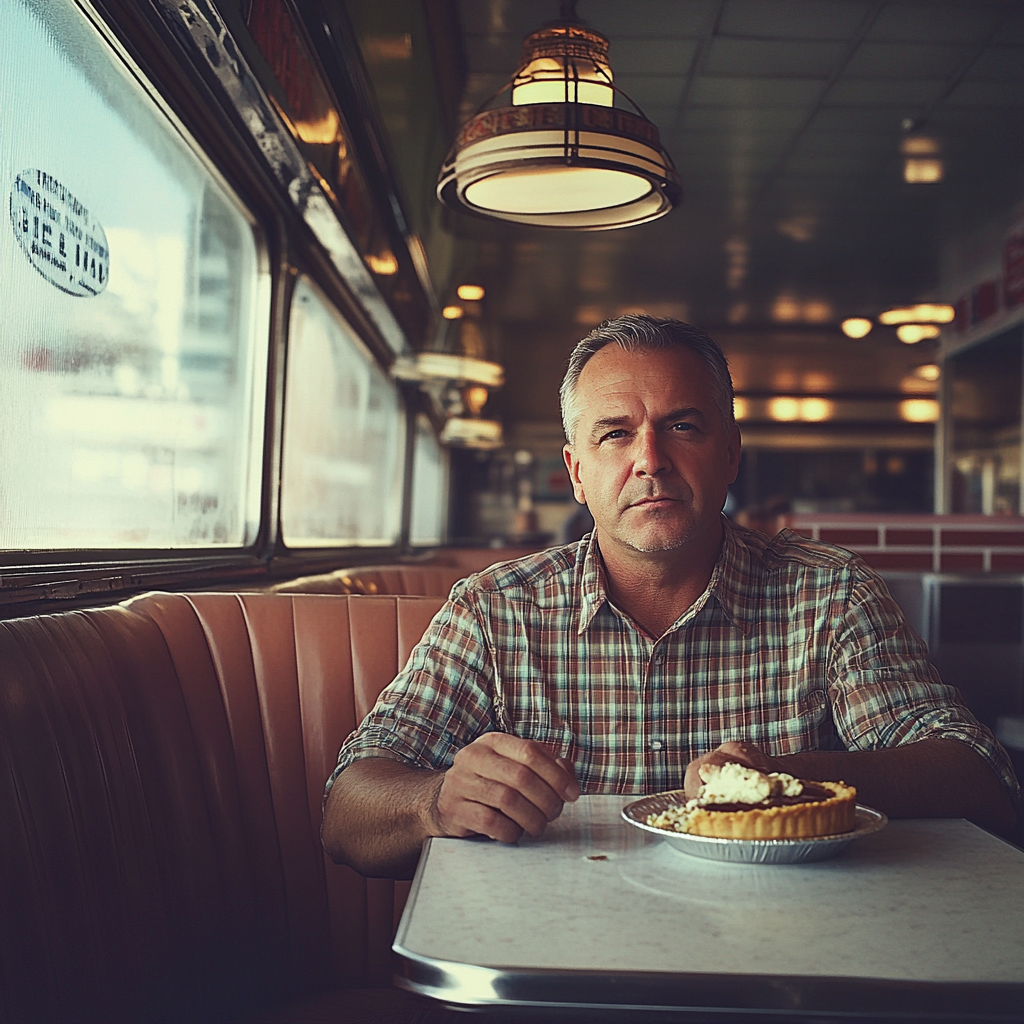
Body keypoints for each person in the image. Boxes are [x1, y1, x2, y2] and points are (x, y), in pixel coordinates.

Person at [322, 315, 1020, 877]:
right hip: (557, 970)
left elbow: (978, 775)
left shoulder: (828, 593)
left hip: (781, 972)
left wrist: (782, 779)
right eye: (616, 434)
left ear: (730, 454)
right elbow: (346, 811)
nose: (650, 459)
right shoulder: (494, 609)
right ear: (576, 471)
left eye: (682, 426)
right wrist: (434, 803)